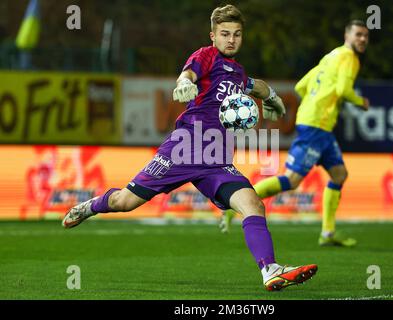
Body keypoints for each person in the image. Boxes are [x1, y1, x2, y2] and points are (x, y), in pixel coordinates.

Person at [62, 4, 317, 291]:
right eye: (224, 34)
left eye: (237, 34)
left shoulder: (237, 72)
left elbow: (253, 85)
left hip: (216, 159)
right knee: (125, 202)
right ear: (213, 36)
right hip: (183, 149)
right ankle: (90, 207)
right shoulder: (205, 56)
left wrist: (272, 97)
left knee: (253, 204)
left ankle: (270, 270)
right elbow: (188, 74)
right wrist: (184, 83)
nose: (231, 40)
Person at [220, 20, 370, 247]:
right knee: (291, 181)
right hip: (316, 124)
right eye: (358, 34)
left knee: (339, 174)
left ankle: (328, 233)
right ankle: (237, 205)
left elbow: (301, 86)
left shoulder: (330, 57)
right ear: (347, 35)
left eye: (365, 36)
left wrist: (319, 99)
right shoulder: (349, 58)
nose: (362, 39)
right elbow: (343, 90)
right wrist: (361, 102)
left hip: (321, 126)